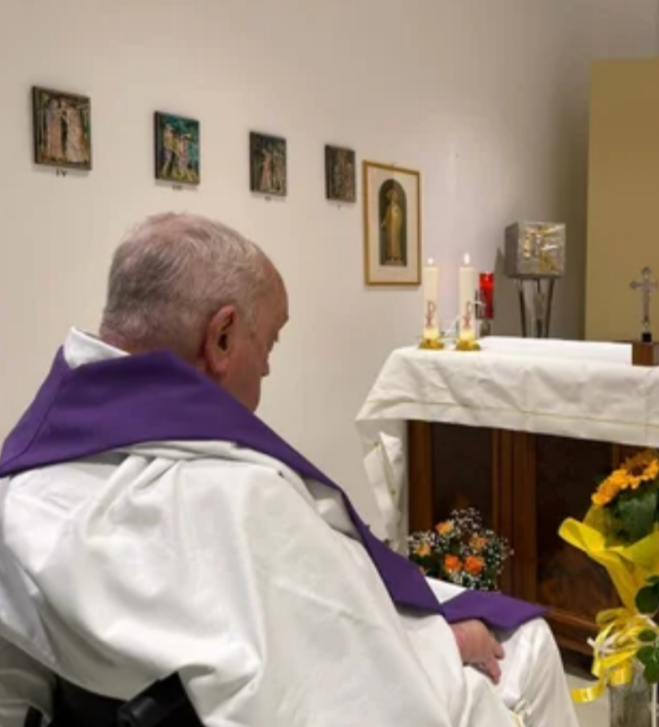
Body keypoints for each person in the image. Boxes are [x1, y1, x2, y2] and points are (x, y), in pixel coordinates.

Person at [0, 212, 579, 727]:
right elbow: (346, 672)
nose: (270, 369)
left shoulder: (25, 473)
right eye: (270, 341)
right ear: (222, 337)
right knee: (527, 644)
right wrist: (439, 641)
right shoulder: (241, 496)